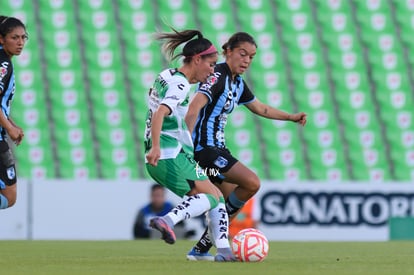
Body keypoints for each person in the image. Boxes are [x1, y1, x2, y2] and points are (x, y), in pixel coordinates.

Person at [185, 32, 307, 259]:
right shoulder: (217, 75)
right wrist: (187, 148)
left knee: (227, 203)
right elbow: (193, 109)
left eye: (251, 57)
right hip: (205, 150)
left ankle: (200, 250)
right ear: (228, 51)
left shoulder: (237, 83)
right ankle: (204, 243)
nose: (247, 60)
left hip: (218, 150)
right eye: (242, 54)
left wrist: (291, 117)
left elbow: (261, 109)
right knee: (251, 183)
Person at [144, 28, 235, 261]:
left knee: (216, 195)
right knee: (212, 197)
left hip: (179, 154)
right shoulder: (181, 85)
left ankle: (224, 252)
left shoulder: (167, 75)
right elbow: (160, 114)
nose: (213, 70)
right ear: (197, 59)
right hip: (168, 154)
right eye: (212, 64)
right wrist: (155, 146)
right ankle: (167, 220)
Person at [0, 16, 26, 210]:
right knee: (9, 196)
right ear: (1, 39)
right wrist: (9, 127)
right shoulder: (4, 64)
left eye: (23, 38)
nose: (20, 43)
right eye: (14, 37)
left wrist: (12, 123)